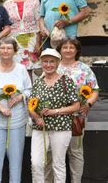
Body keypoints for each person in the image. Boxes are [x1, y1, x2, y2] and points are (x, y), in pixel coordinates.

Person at [29, 48, 80, 182]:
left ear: (57, 63)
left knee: (58, 164)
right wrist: (37, 117)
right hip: (40, 127)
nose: (48, 65)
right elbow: (31, 106)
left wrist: (55, 111)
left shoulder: (66, 81)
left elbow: (76, 106)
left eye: (52, 61)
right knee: (36, 163)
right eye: (45, 61)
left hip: (61, 127)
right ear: (41, 63)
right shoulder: (38, 82)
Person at [0, 37, 32, 182]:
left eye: (9, 48)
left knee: (16, 159)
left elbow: (29, 89)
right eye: (2, 48)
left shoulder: (22, 69)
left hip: (17, 120)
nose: (5, 51)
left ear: (15, 51)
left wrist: (20, 97)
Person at [54, 38, 98, 183]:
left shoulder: (84, 68)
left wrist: (89, 104)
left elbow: (95, 90)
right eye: (65, 47)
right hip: (56, 116)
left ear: (77, 50)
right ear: (59, 50)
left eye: (71, 47)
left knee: (75, 152)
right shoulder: (53, 67)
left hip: (77, 117)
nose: (68, 50)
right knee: (55, 153)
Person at [3, 0, 41, 74]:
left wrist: (38, 43)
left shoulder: (34, 1)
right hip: (13, 39)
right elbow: (6, 25)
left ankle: (30, 90)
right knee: (14, 69)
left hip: (31, 39)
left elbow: (38, 22)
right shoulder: (7, 4)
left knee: (29, 69)